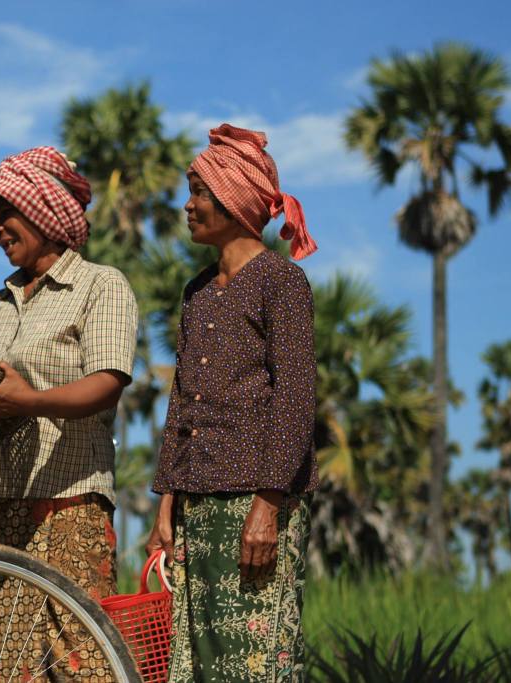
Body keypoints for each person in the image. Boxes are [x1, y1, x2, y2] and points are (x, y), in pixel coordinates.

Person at [0, 146, 138, 680]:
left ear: (45, 211)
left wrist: (26, 402)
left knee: (83, 665)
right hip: (3, 509)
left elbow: (107, 383)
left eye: (5, 214)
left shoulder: (100, 285)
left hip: (70, 506)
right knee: (6, 667)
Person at [145, 123, 319, 682]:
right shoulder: (197, 292)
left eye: (199, 192)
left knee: (253, 660)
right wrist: (166, 507)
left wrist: (267, 507)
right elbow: (182, 402)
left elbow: (295, 399)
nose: (188, 206)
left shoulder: (280, 282)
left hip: (256, 503)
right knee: (196, 660)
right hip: (196, 504)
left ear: (233, 200)